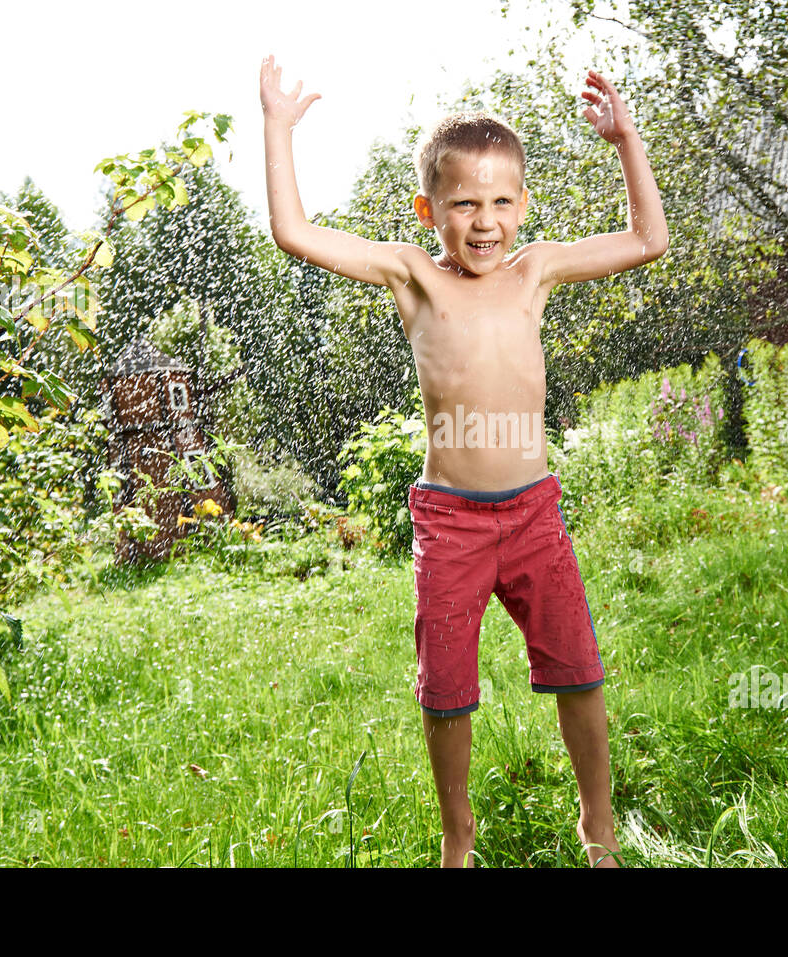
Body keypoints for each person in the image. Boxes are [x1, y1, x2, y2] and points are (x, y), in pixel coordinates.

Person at [260, 54, 668, 867]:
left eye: (502, 201)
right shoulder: (414, 277)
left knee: (580, 670)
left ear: (524, 204)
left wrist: (626, 141)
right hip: (450, 525)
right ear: (428, 210)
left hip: (535, 515)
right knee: (447, 688)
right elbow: (294, 234)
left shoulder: (536, 270)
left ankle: (600, 827)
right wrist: (278, 128)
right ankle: (458, 835)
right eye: (464, 204)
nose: (486, 221)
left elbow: (648, 239)